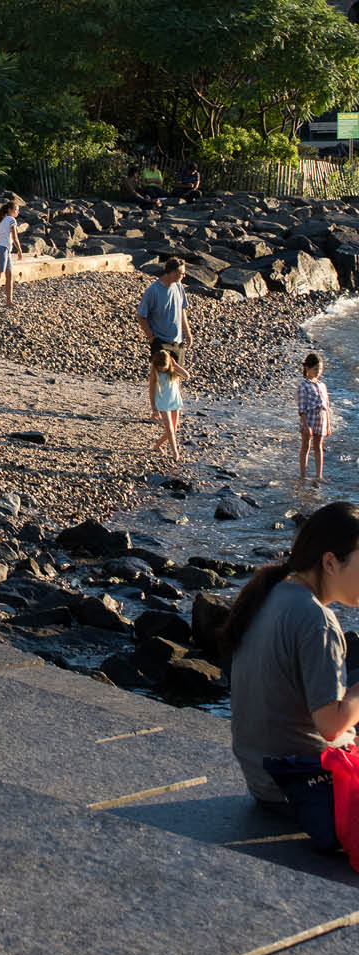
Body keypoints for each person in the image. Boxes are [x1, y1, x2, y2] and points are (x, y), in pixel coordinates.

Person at [221, 501, 359, 838]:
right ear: (330, 562)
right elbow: (331, 725)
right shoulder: (317, 621)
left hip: (264, 780)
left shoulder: (272, 593)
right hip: (307, 786)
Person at [137, 257, 191, 367]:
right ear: (172, 272)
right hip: (160, 342)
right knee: (160, 379)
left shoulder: (179, 286)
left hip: (177, 342)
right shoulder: (153, 291)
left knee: (176, 379)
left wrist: (187, 333)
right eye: (182, 273)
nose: (184, 276)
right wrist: (151, 338)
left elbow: (182, 310)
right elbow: (141, 316)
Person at [149, 348, 190, 459]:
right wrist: (154, 409)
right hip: (162, 403)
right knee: (170, 429)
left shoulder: (173, 370)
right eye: (160, 369)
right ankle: (175, 452)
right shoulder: (155, 374)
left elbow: (187, 376)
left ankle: (157, 445)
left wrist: (175, 365)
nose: (162, 370)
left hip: (174, 401)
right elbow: (151, 392)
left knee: (174, 429)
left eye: (164, 368)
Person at [298, 353, 332, 483]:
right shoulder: (303, 385)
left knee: (318, 446)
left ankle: (319, 475)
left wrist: (328, 424)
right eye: (315, 369)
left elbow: (327, 406)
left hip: (321, 418)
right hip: (309, 418)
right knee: (305, 446)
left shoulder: (322, 385)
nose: (318, 372)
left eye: (320, 369)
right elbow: (302, 407)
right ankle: (303, 475)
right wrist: (305, 425)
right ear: (307, 368)